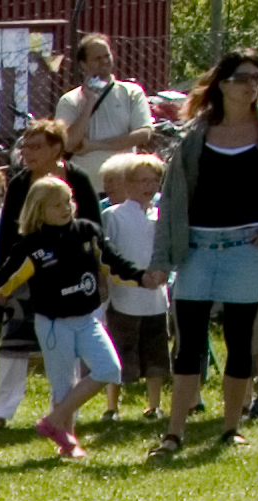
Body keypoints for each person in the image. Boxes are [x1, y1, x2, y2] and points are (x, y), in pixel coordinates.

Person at [150, 50, 258, 457]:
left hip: (247, 251)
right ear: (222, 83)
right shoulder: (195, 135)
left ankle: (230, 428)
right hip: (197, 249)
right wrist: (161, 260)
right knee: (189, 344)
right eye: (242, 77)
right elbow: (171, 200)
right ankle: (174, 432)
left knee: (239, 341)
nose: (251, 85)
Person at [0, 178, 148, 455]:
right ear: (39, 210)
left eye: (68, 201)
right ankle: (67, 442)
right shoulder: (30, 244)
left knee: (109, 369)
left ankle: (53, 421)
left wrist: (142, 277)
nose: (65, 208)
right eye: (56, 205)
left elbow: (113, 261)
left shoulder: (87, 231)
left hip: (87, 319)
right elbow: (2, 280)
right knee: (62, 385)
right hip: (53, 325)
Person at [102, 154, 175, 421]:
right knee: (119, 350)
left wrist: (164, 272)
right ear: (128, 183)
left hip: (156, 298)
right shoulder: (113, 216)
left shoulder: (160, 217)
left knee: (155, 350)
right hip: (124, 297)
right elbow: (108, 255)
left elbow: (166, 250)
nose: (149, 185)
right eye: (143, 180)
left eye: (155, 180)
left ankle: (154, 405)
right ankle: (112, 405)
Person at [58, 33, 157, 164]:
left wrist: (94, 145)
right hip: (84, 179)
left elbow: (144, 133)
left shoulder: (131, 92)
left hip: (122, 175)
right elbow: (68, 144)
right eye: (97, 58)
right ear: (84, 65)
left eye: (107, 56)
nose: (104, 61)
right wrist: (89, 103)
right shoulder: (70, 100)